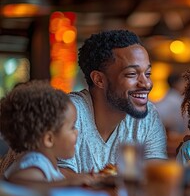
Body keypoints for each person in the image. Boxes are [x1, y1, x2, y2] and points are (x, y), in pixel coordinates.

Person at [0, 29, 168, 177]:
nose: (146, 84)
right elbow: (58, 178)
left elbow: (155, 173)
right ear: (99, 79)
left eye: (147, 73)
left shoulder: (148, 116)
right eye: (132, 74)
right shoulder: (67, 113)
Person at [0, 80, 96, 186]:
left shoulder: (48, 164)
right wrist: (67, 183)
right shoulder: (35, 162)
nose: (77, 132)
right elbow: (18, 183)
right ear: (49, 139)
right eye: (72, 127)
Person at [155, 72, 189, 158]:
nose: (185, 85)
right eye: (182, 82)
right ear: (176, 83)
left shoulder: (167, 97)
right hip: (170, 142)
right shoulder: (176, 100)